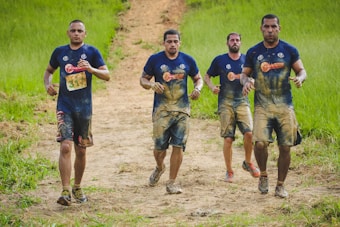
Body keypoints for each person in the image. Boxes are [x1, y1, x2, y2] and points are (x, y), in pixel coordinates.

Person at [43, 19, 110, 206]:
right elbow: (48, 71)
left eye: (80, 30)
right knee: (65, 146)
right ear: (68, 33)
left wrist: (90, 69)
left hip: (84, 108)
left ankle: (77, 186)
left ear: (85, 34)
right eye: (73, 30)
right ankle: (65, 191)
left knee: (81, 150)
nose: (76, 33)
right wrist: (47, 84)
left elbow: (107, 75)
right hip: (64, 107)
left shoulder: (92, 52)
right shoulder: (59, 52)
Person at [241, 14, 307, 198]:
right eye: (266, 27)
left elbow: (301, 70)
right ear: (261, 29)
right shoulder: (254, 52)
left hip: (285, 106)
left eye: (273, 27)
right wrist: (246, 82)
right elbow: (244, 74)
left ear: (279, 28)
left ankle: (280, 185)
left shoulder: (289, 50)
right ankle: (263, 175)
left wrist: (300, 79)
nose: (270, 30)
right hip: (263, 106)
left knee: (285, 147)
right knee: (260, 143)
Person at [140, 29, 203, 194]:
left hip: (182, 110)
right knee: (159, 148)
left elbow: (198, 78)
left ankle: (172, 182)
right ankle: (160, 167)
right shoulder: (155, 59)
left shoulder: (188, 60)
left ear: (180, 43)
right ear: (164, 43)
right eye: (169, 41)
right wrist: (151, 84)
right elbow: (143, 79)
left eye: (175, 41)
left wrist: (198, 89)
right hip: (162, 111)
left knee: (178, 146)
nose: (172, 44)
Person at [204, 32, 260, 183]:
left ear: (241, 43)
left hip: (242, 101)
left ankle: (248, 162)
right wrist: (211, 87)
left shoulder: (246, 60)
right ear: (227, 43)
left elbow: (253, 77)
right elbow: (207, 76)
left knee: (249, 134)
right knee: (228, 138)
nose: (235, 42)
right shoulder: (220, 60)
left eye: (237, 40)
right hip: (225, 103)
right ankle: (229, 171)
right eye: (232, 40)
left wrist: (251, 82)